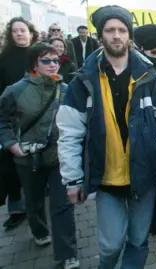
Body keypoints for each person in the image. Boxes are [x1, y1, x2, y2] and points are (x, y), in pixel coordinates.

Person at [56, 5, 156, 269]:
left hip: (145, 175)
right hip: (106, 178)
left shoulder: (148, 76)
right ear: (100, 35)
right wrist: (72, 179)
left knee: (138, 240)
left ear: (129, 35)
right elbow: (69, 132)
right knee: (110, 245)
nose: (116, 35)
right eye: (109, 30)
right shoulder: (83, 80)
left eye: (122, 30)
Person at [0, 43, 79, 269]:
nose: (53, 64)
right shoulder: (15, 90)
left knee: (62, 206)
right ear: (34, 63)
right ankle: (39, 230)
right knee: (34, 203)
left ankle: (68, 254)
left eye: (56, 60)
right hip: (28, 160)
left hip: (59, 158)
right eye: (46, 60)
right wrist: (11, 145)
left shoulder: (65, 89)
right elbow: (2, 121)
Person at [0, 16, 38, 230]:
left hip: (35, 116)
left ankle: (37, 200)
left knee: (35, 160)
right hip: (10, 118)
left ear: (31, 33)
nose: (20, 34)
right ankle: (16, 208)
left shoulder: (39, 55)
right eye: (15, 31)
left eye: (23, 30)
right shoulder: (4, 58)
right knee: (9, 166)